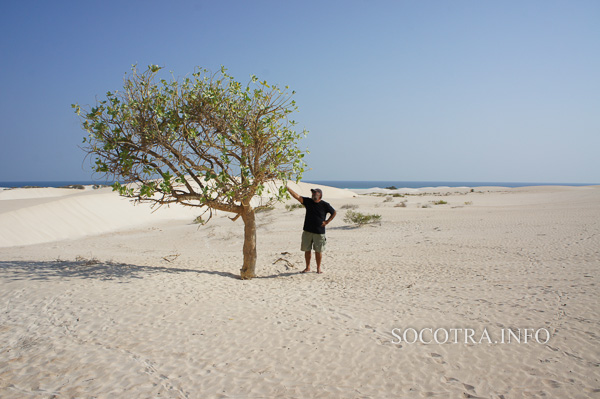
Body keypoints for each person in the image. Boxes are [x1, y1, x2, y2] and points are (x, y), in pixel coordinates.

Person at [286, 184, 336, 274]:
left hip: (319, 232)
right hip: (307, 231)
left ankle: (318, 268)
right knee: (307, 250)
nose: (313, 194)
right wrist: (288, 189)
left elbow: (334, 212)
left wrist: (327, 221)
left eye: (315, 193)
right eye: (312, 193)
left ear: (320, 195)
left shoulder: (325, 205)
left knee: (318, 251)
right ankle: (307, 267)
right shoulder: (308, 202)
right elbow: (297, 197)